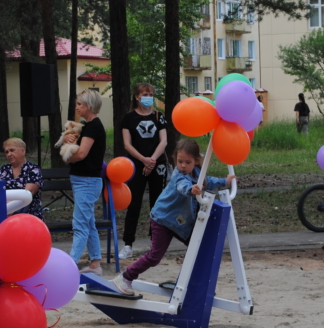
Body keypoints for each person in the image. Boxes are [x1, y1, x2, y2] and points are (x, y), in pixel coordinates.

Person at [112, 139, 234, 295]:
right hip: (162, 220)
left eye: (187, 162)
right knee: (155, 256)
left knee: (198, 248)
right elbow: (182, 187)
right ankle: (125, 277)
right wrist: (191, 189)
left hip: (180, 223)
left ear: (196, 161)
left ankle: (192, 283)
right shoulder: (180, 176)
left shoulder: (197, 173)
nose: (183, 165)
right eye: (179, 161)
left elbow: (207, 182)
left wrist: (225, 181)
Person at [119, 83, 168, 259]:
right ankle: (128, 244)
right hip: (137, 165)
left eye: (151, 94)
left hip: (157, 164)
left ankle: (155, 242)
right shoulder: (129, 118)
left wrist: (152, 160)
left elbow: (163, 141)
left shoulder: (158, 116)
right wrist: (143, 160)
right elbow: (127, 144)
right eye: (145, 94)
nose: (148, 97)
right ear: (137, 97)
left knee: (157, 204)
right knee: (134, 204)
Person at [63, 89, 107, 275]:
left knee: (80, 223)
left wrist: (67, 158)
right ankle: (95, 263)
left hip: (87, 181)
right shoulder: (87, 126)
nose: (77, 108)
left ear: (89, 105)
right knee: (88, 223)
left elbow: (81, 154)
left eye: (80, 104)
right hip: (84, 180)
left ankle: (70, 264)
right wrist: (68, 140)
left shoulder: (93, 126)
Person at [0, 138, 44, 219]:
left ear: (23, 151)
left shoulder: (33, 169)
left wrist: (10, 207)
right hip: (5, 211)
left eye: (12, 150)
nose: (9, 154)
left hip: (28, 214)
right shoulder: (3, 169)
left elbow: (27, 193)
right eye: (6, 152)